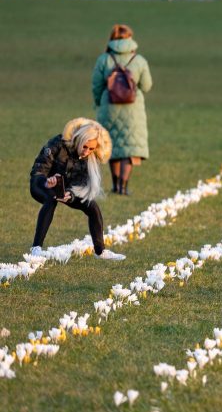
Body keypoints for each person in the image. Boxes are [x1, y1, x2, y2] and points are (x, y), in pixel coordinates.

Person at [30, 118, 125, 260]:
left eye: (91, 148)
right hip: (42, 183)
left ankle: (100, 251)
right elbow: (39, 169)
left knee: (92, 207)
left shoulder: (91, 158)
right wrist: (47, 182)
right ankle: (36, 248)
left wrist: (71, 195)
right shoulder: (57, 144)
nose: (87, 151)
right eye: (85, 146)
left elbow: (82, 183)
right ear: (79, 140)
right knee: (50, 200)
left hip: (66, 189)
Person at [91, 24, 153, 195]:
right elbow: (147, 86)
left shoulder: (104, 59)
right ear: (130, 38)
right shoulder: (139, 60)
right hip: (133, 110)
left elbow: (96, 85)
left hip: (108, 107)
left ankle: (115, 185)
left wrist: (98, 102)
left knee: (113, 146)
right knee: (129, 148)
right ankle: (124, 187)